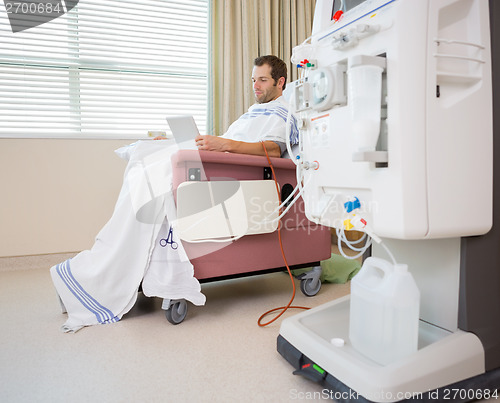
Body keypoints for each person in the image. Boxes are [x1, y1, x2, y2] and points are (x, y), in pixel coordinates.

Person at [51, 55, 297, 332]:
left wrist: (222, 144)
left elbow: (274, 150)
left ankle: (113, 264)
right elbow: (229, 144)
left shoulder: (285, 113)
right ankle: (119, 255)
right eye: (253, 80)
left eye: (262, 80)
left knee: (159, 165)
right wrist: (207, 142)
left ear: (280, 81)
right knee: (151, 158)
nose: (256, 85)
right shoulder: (252, 112)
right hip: (220, 164)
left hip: (240, 175)